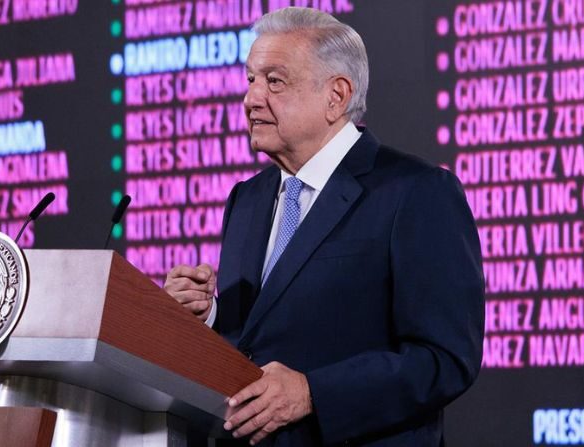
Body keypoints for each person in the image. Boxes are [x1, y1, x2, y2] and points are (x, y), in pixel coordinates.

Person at [164, 7, 484, 446]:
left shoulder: (416, 192)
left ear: (336, 96)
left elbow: (445, 360)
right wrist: (210, 316)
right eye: (251, 80)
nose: (251, 99)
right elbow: (255, 340)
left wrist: (314, 393)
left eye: (274, 81)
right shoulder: (248, 199)